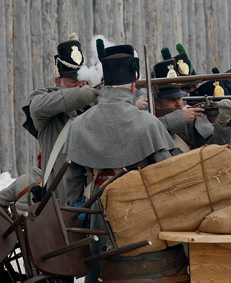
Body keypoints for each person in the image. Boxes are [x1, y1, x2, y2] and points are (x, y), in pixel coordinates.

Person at [62, 41, 180, 283]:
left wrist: (79, 208)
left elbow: (72, 182)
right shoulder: (148, 124)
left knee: (98, 267)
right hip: (142, 213)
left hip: (97, 212)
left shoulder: (79, 125)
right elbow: (169, 172)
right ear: (133, 86)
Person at [22, 33, 99, 204]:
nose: (79, 84)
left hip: (90, 198)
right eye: (73, 80)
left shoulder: (91, 105)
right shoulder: (43, 99)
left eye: (81, 78)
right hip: (59, 201)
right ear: (58, 81)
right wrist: (83, 94)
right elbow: (38, 106)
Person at [152, 57, 231, 151]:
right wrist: (179, 119)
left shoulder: (189, 119)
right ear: (156, 104)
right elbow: (148, 133)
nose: (178, 103)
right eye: (171, 99)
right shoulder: (148, 119)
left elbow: (215, 147)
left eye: (179, 98)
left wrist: (222, 122)